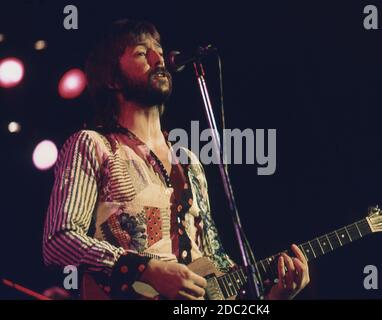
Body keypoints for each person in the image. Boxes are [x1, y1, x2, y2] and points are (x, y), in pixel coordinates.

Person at [42, 19, 309, 300]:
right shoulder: (93, 145)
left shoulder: (190, 161)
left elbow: (213, 265)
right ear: (112, 78)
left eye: (159, 50)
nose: (160, 59)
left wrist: (273, 297)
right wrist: (147, 270)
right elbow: (59, 241)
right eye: (142, 53)